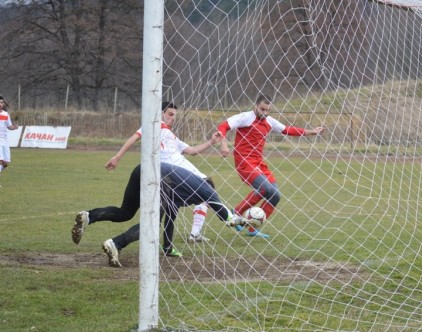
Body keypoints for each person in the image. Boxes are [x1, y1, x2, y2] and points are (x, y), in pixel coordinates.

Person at [72, 163, 252, 267]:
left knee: (125, 212)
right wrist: (242, 221)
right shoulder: (207, 191)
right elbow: (227, 218)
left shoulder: (184, 189)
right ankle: (115, 244)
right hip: (158, 176)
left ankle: (89, 216)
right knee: (150, 225)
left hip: (142, 167)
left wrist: (168, 248)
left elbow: (170, 218)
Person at [106, 101, 215, 247]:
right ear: (161, 114)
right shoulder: (152, 126)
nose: (173, 118)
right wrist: (117, 157)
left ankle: (167, 246)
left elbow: (192, 151)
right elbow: (134, 138)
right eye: (170, 114)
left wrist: (212, 141)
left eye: (175, 115)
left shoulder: (172, 137)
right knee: (152, 220)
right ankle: (116, 243)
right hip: (154, 177)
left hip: (167, 180)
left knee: (161, 214)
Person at [217, 94, 325, 239]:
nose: (265, 113)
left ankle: (251, 229)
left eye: (268, 110)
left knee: (275, 196)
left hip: (259, 163)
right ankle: (236, 213)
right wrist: (223, 143)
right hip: (244, 161)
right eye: (262, 109)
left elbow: (287, 130)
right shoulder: (245, 117)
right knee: (265, 189)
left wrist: (310, 132)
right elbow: (223, 126)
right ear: (256, 106)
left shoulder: (269, 121)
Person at [0, 96, 19, 179]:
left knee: (6, 163)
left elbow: (9, 126)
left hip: (4, 140)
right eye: (0, 102)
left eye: (2, 102)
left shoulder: (5, 114)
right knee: (0, 160)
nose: (1, 104)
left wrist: (14, 127)